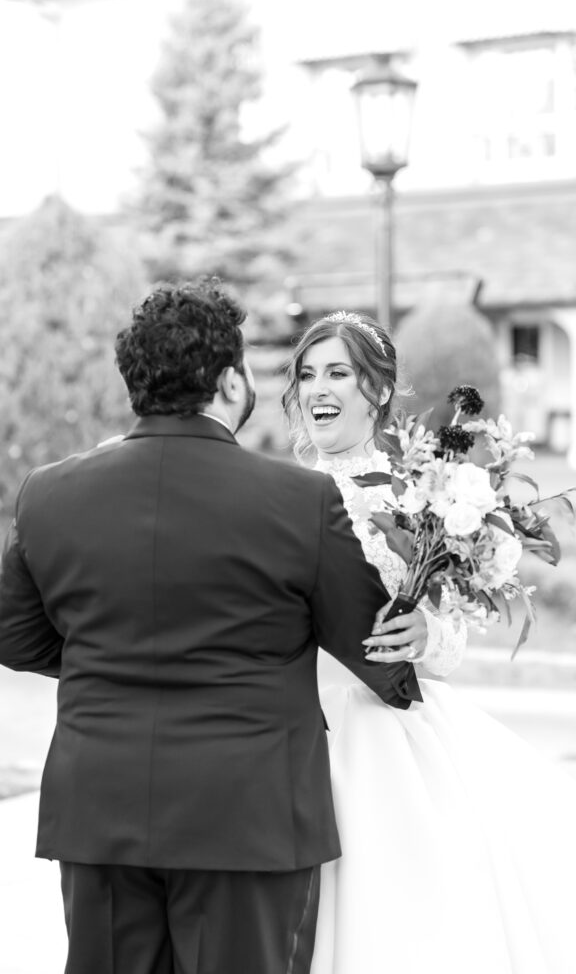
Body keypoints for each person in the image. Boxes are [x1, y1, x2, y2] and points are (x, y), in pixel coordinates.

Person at [0, 282, 421, 974]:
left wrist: (106, 657)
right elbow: (375, 649)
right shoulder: (302, 500)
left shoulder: (48, 492)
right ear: (229, 382)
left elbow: (14, 638)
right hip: (248, 818)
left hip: (99, 809)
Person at [282, 310, 576, 974]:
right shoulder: (273, 495)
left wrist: (426, 632)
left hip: (390, 735)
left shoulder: (420, 495)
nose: (318, 389)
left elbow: (453, 639)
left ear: (376, 391)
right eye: (307, 374)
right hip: (289, 733)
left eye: (338, 373)